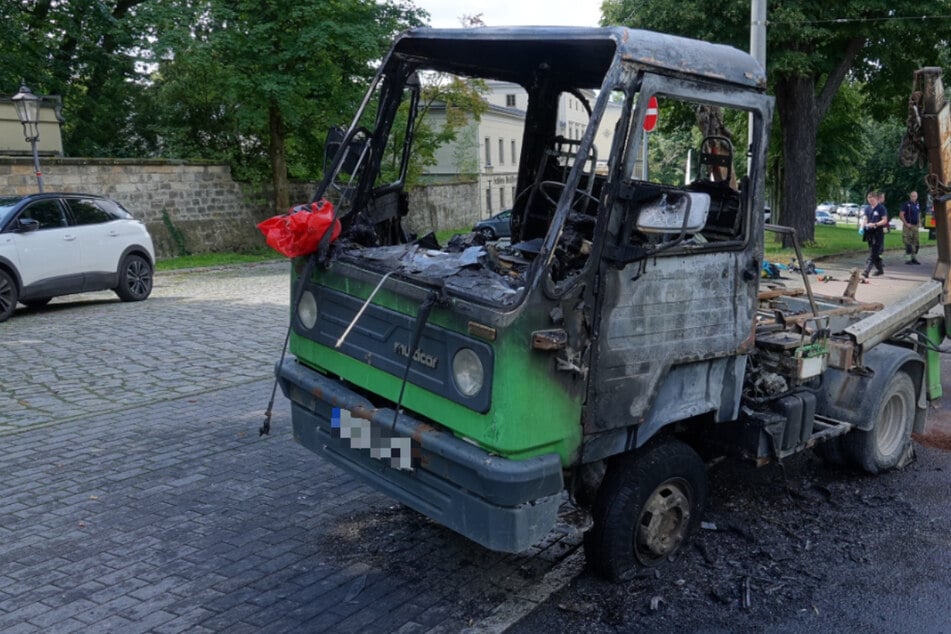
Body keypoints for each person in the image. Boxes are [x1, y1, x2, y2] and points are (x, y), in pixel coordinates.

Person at [861, 190, 888, 277]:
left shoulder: (881, 208)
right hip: (869, 232)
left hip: (878, 232)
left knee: (873, 252)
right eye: (869, 201)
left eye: (872, 201)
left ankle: (866, 271)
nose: (871, 202)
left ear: (876, 199)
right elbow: (865, 218)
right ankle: (880, 270)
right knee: (873, 251)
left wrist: (875, 224)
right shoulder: (867, 208)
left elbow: (884, 220)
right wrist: (863, 226)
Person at [899, 190, 921, 264]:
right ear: (910, 196)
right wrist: (906, 223)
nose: (913, 197)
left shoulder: (917, 204)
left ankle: (913, 258)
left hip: (915, 226)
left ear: (917, 197)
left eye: (915, 196)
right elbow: (901, 215)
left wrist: (919, 222)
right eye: (912, 196)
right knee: (908, 243)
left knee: (916, 244)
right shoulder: (906, 204)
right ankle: (908, 259)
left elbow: (918, 214)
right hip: (908, 226)